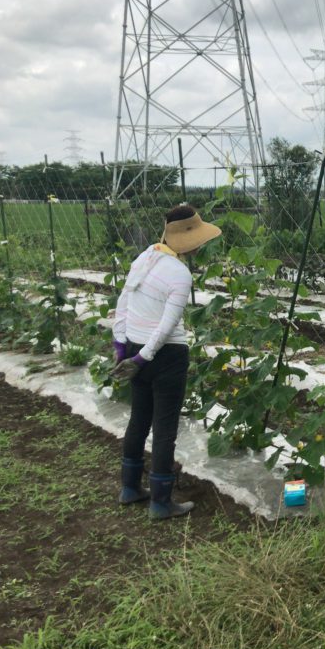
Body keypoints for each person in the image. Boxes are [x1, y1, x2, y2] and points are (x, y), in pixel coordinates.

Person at [111, 204, 221, 520]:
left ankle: (130, 488)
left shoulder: (145, 257)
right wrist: (144, 357)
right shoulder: (179, 273)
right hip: (166, 356)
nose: (200, 245)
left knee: (139, 418)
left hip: (135, 347)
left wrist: (122, 346)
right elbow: (168, 324)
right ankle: (161, 502)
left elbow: (123, 302)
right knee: (164, 428)